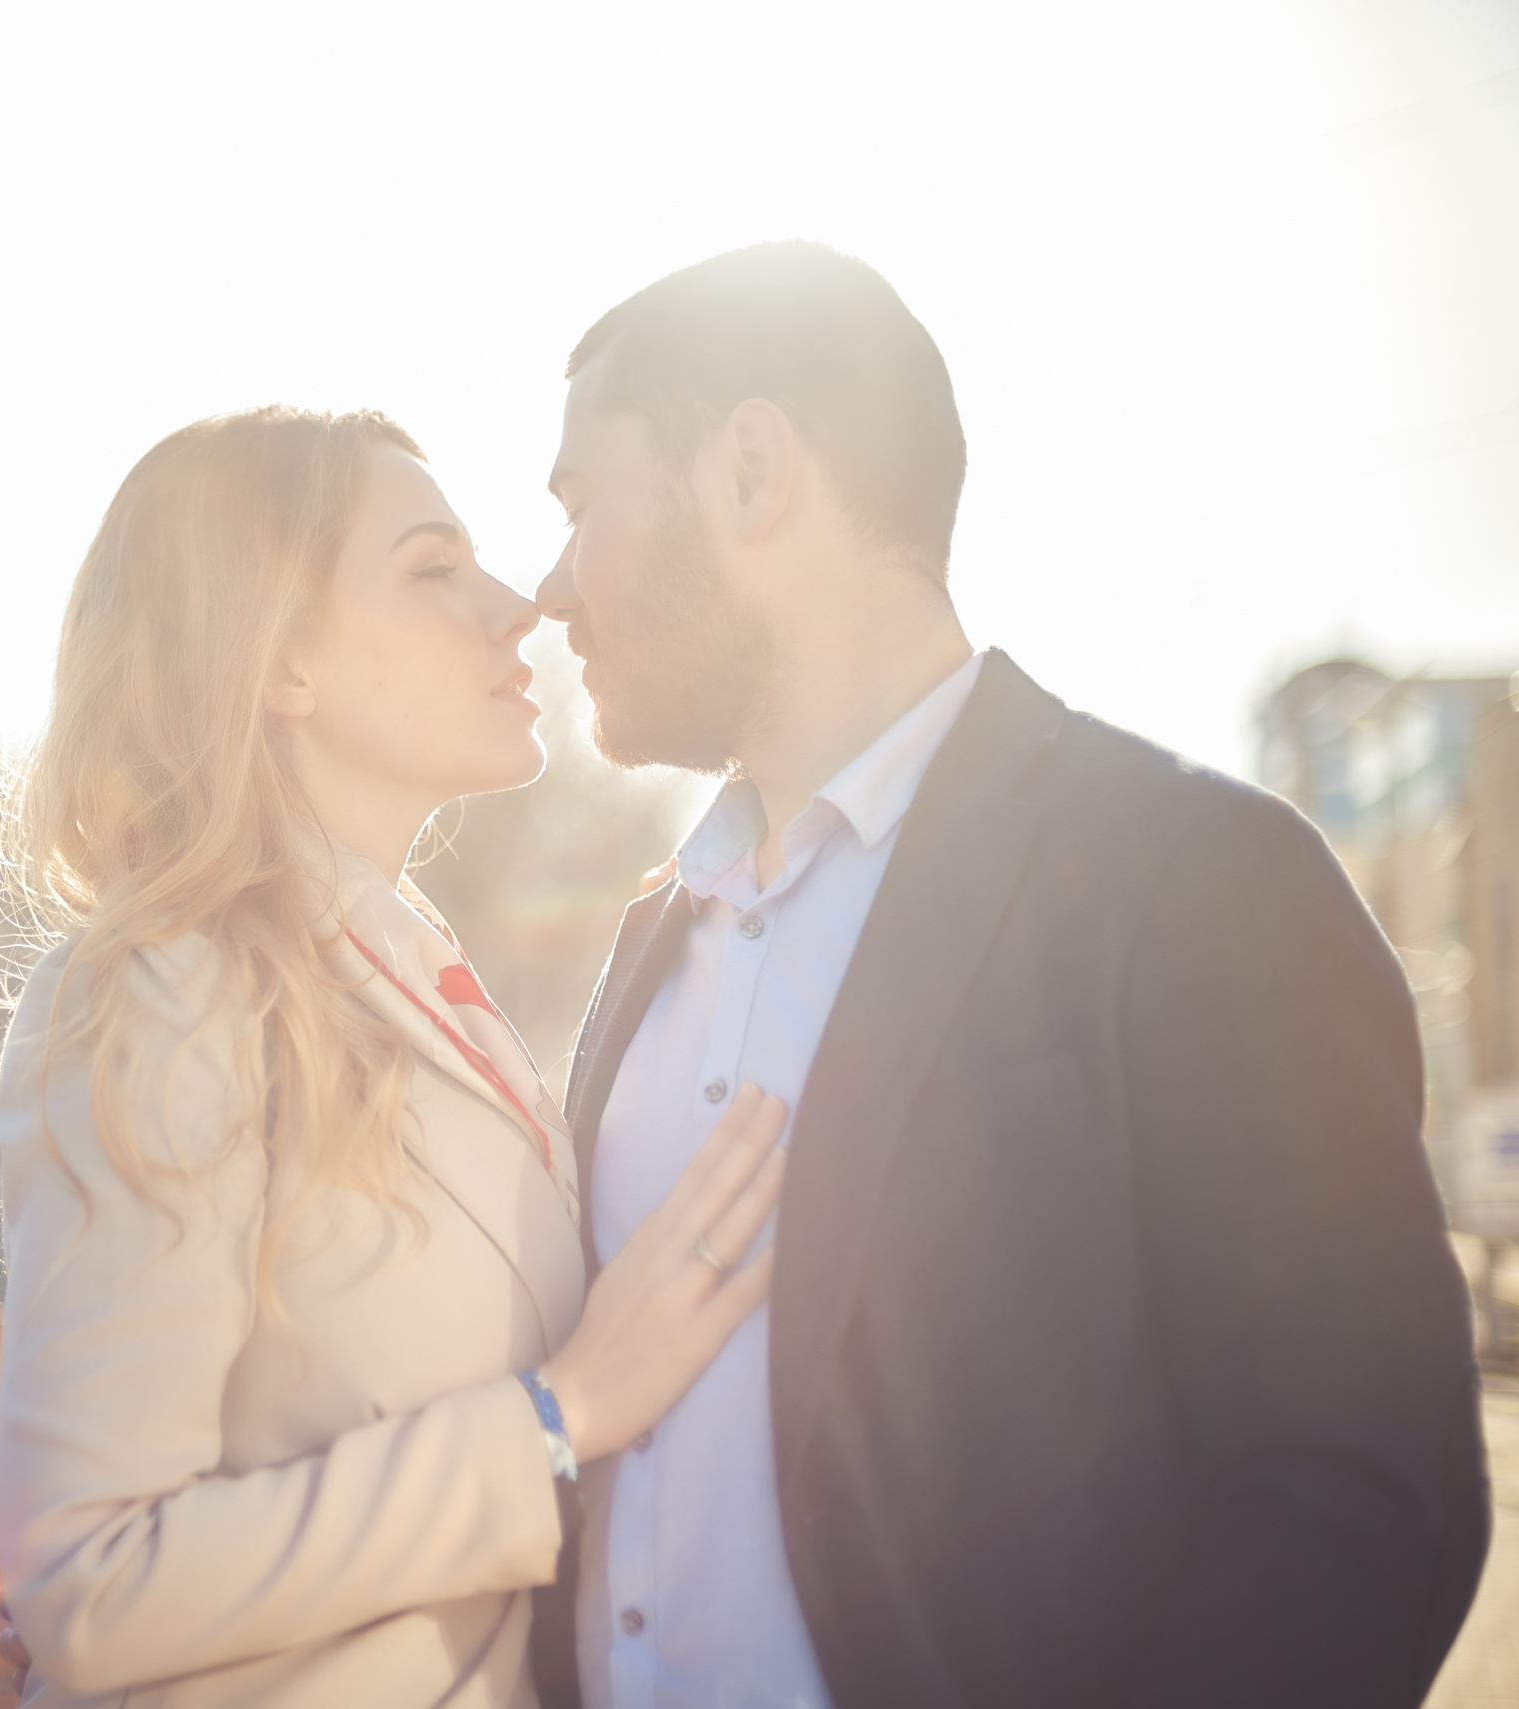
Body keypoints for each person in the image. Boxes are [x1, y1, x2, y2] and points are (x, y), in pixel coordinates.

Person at [534, 240, 1491, 1709]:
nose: (549, 588)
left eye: (580, 505)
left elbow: (1358, 1491)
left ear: (750, 471)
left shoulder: (1199, 875)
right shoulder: (653, 929)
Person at [0, 406, 788, 1708]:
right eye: (433, 568)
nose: (518, 607)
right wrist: (558, 1417)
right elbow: (92, 1580)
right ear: (281, 659)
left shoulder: (414, 980)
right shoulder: (165, 985)